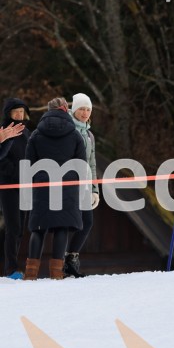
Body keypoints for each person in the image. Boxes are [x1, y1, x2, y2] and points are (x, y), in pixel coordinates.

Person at [23, 97, 86, 280]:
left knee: (38, 228)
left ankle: (31, 273)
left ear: (48, 110)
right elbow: (81, 165)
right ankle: (56, 273)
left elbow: (28, 163)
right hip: (66, 186)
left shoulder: (36, 134)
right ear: (65, 109)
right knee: (61, 227)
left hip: (42, 185)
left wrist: (34, 182)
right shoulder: (74, 134)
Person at [63, 93, 100, 277]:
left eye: (88, 110)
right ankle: (58, 261)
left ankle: (71, 258)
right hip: (68, 184)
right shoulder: (67, 129)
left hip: (85, 185)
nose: (85, 113)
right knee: (66, 222)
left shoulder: (89, 135)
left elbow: (92, 163)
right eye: (82, 109)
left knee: (87, 222)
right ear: (74, 110)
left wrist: (94, 189)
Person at [0, 98, 31, 279]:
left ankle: (14, 267)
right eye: (16, 111)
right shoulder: (4, 130)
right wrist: (13, 173)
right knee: (12, 227)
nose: (19, 115)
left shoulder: (26, 132)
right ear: (8, 113)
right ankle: (10, 269)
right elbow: (1, 159)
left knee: (20, 229)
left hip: (25, 184)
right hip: (9, 184)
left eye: (22, 111)